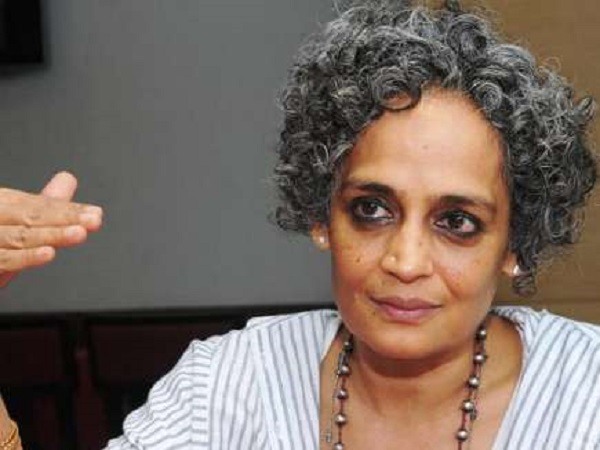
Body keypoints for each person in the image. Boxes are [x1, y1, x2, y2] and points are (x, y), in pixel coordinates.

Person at [0, 0, 598, 448]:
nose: (406, 261)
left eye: (457, 221)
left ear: (514, 243)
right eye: (372, 209)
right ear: (321, 215)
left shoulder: (586, 396)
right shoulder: (228, 386)